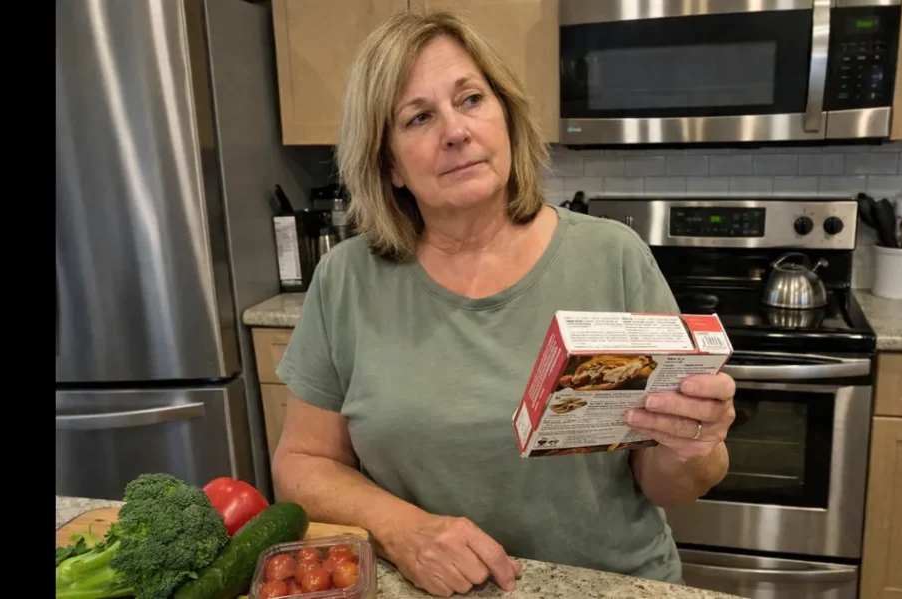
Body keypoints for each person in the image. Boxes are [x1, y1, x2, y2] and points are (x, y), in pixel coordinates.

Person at [272, 9, 736, 598]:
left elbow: (670, 485)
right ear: (389, 164)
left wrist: (693, 444)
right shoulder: (346, 278)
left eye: (470, 100)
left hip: (606, 586)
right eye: (418, 117)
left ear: (506, 116)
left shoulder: (612, 257)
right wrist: (405, 532)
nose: (456, 131)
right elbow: (302, 462)